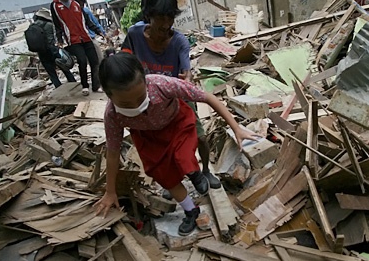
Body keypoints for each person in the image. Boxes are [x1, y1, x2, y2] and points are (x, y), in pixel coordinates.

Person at [94, 53, 257, 235]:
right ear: (108, 95)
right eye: (125, 103)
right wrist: (110, 191)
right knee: (164, 175)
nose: (134, 106)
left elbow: (207, 97)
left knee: (183, 156)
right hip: (147, 138)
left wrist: (236, 128)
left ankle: (194, 173)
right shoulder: (112, 115)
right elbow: (113, 152)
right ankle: (190, 210)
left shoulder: (161, 84)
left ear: (146, 83)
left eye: (140, 98)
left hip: (177, 124)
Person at [121, 0, 222, 194]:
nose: (166, 24)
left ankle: (205, 170)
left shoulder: (179, 42)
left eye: (170, 18)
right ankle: (173, 180)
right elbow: (125, 60)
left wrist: (188, 78)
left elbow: (187, 72)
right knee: (162, 145)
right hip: (151, 101)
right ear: (148, 15)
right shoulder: (134, 35)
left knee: (200, 136)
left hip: (177, 95)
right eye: (160, 18)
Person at [50, 0, 106, 96]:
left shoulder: (75, 3)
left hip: (85, 36)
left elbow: (86, 21)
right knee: (81, 60)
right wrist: (59, 40)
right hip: (73, 39)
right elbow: (57, 25)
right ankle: (85, 86)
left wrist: (98, 31)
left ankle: (96, 86)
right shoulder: (55, 6)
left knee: (94, 60)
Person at [31, 8, 76, 88]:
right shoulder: (49, 25)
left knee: (51, 73)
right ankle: (73, 82)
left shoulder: (32, 26)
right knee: (64, 67)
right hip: (52, 50)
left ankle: (58, 88)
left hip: (41, 52)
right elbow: (52, 38)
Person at [71, 0, 105, 64]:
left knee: (93, 62)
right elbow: (94, 23)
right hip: (88, 40)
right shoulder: (83, 11)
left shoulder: (83, 11)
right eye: (81, 4)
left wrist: (101, 32)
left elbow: (92, 23)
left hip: (85, 41)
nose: (82, 6)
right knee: (98, 61)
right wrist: (102, 32)